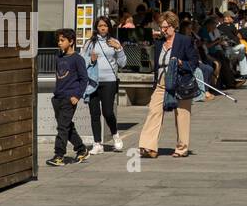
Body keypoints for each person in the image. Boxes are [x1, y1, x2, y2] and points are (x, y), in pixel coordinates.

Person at [138, 12, 198, 159]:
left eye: (165, 27)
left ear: (173, 26)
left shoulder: (184, 40)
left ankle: (182, 148)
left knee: (182, 115)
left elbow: (194, 63)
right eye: (161, 27)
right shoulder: (159, 42)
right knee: (154, 111)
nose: (163, 30)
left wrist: (181, 63)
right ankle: (148, 146)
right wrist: (148, 39)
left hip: (180, 82)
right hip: (161, 81)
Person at [81, 15, 127, 153]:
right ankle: (97, 144)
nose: (102, 28)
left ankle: (115, 135)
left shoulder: (114, 41)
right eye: (100, 26)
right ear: (96, 27)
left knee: (107, 112)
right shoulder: (90, 43)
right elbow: (82, 60)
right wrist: (91, 59)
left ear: (109, 27)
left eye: (105, 26)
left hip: (109, 81)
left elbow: (123, 63)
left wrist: (119, 49)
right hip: (93, 81)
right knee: (94, 113)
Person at [47, 29, 90, 167]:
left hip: (69, 98)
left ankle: (59, 155)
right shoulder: (59, 57)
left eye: (62, 40)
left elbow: (84, 79)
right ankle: (81, 149)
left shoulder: (78, 59)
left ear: (71, 41)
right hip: (58, 97)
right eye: (58, 40)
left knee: (62, 128)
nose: (59, 43)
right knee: (66, 126)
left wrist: (77, 96)